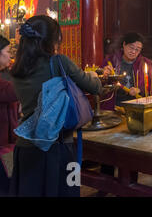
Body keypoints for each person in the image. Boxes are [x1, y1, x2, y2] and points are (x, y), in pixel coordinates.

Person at [9, 15, 102, 197]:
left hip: (26, 148)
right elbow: (94, 87)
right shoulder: (59, 62)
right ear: (51, 40)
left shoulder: (16, 69)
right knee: (64, 191)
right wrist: (95, 77)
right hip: (57, 147)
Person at [101, 32, 152, 111]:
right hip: (113, 106)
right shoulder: (111, 60)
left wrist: (139, 90)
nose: (133, 52)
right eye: (131, 47)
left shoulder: (145, 63)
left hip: (136, 106)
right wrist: (104, 74)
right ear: (124, 44)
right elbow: (100, 84)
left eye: (137, 50)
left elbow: (151, 86)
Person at [0, 36, 18, 196]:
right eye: (7, 52)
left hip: (8, 145)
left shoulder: (6, 75)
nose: (10, 56)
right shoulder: (4, 85)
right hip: (3, 147)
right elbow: (15, 91)